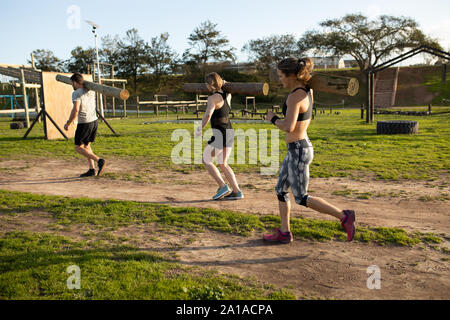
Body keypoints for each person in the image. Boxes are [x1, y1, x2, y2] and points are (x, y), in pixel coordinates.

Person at [264, 58, 355, 244]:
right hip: (296, 149)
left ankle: (344, 216)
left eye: (282, 76)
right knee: (281, 190)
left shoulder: (295, 96)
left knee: (301, 197)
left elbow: (289, 126)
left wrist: (273, 119)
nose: (280, 80)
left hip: (299, 151)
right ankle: (284, 232)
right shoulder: (307, 90)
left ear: (291, 75)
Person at [195, 72, 243, 200]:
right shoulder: (227, 95)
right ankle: (237, 191)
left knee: (206, 159)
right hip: (229, 131)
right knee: (223, 163)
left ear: (209, 85)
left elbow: (208, 115)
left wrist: (200, 127)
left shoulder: (212, 98)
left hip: (220, 133)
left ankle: (223, 186)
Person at [64, 73, 106, 178]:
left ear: (74, 82)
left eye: (72, 83)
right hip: (94, 121)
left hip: (84, 123)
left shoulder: (76, 93)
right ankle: (92, 170)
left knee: (78, 147)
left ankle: (99, 160)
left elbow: (76, 110)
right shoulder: (90, 90)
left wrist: (68, 123)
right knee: (87, 146)